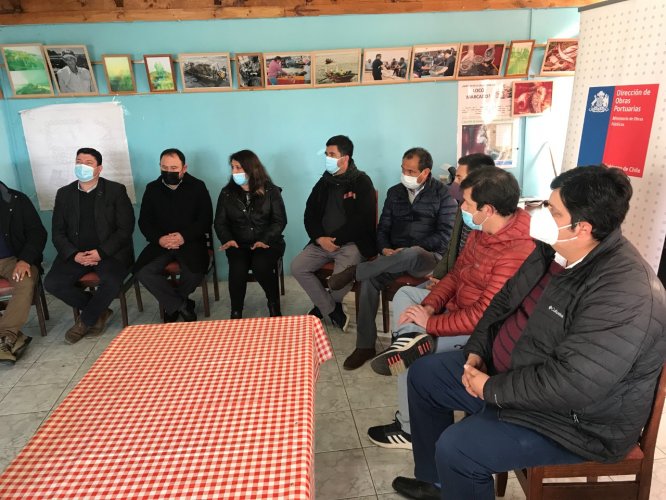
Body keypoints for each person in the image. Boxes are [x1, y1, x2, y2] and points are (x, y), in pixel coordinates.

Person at [392, 165, 666, 500]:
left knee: (459, 449)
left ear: (582, 228)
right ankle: (439, 485)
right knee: (423, 377)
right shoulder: (553, 249)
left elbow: (573, 384)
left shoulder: (625, 293)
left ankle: (455, 476)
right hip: (514, 374)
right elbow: (504, 300)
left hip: (574, 421)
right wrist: (477, 349)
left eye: (553, 211)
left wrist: (491, 388)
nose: (541, 215)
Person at [367, 166, 535, 451]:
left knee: (414, 362)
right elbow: (455, 275)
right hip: (455, 310)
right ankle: (410, 340)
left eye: (468, 203)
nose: (463, 207)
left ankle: (409, 429)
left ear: (488, 209)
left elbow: (484, 315)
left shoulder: (517, 250)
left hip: (481, 333)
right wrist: (430, 306)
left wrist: (431, 325)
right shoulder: (482, 231)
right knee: (407, 295)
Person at [327, 147, 457, 370]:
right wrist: (385, 248)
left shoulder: (443, 195)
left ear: (425, 172)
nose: (405, 174)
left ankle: (354, 272)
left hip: (427, 258)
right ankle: (365, 345)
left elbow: (445, 236)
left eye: (411, 170)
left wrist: (410, 249)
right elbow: (383, 227)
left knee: (412, 253)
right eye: (403, 169)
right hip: (394, 257)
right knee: (370, 280)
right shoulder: (395, 192)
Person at [45, 147, 134, 344]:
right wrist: (73, 254)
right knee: (52, 283)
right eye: (78, 162)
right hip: (76, 253)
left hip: (109, 253)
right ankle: (99, 310)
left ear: (99, 168)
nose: (82, 166)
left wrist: (101, 252)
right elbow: (57, 232)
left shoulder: (116, 191)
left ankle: (84, 322)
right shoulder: (64, 194)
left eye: (88, 163)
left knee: (111, 281)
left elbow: (125, 229)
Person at [291, 135, 376, 331]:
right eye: (327, 154)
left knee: (339, 281)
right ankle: (331, 309)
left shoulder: (361, 181)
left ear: (345, 158)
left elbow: (363, 220)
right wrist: (320, 238)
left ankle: (322, 308)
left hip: (351, 244)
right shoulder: (324, 181)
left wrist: (336, 240)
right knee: (297, 267)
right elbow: (309, 213)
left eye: (332, 154)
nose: (327, 158)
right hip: (322, 243)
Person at [135, 148, 213, 323]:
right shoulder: (152, 188)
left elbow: (205, 219)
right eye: (164, 167)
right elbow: (144, 222)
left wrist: (183, 236)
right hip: (160, 243)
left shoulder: (197, 186)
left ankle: (172, 304)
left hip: (190, 241)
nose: (168, 171)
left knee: (194, 273)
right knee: (143, 272)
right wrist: (160, 239)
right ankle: (181, 304)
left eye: (173, 167)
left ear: (184, 168)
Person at [214, 150, 287, 319]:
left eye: (238, 167)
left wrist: (264, 239)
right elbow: (220, 222)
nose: (234, 172)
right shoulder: (227, 193)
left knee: (261, 266)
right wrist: (228, 239)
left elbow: (279, 221)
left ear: (251, 168)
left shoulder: (271, 191)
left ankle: (273, 304)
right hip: (238, 244)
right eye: (232, 167)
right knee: (237, 269)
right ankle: (236, 311)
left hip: (268, 242)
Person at [0, 182, 47, 363]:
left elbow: (37, 233)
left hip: (14, 259)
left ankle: (7, 336)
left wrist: (25, 260)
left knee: (25, 282)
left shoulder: (16, 200)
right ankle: (12, 338)